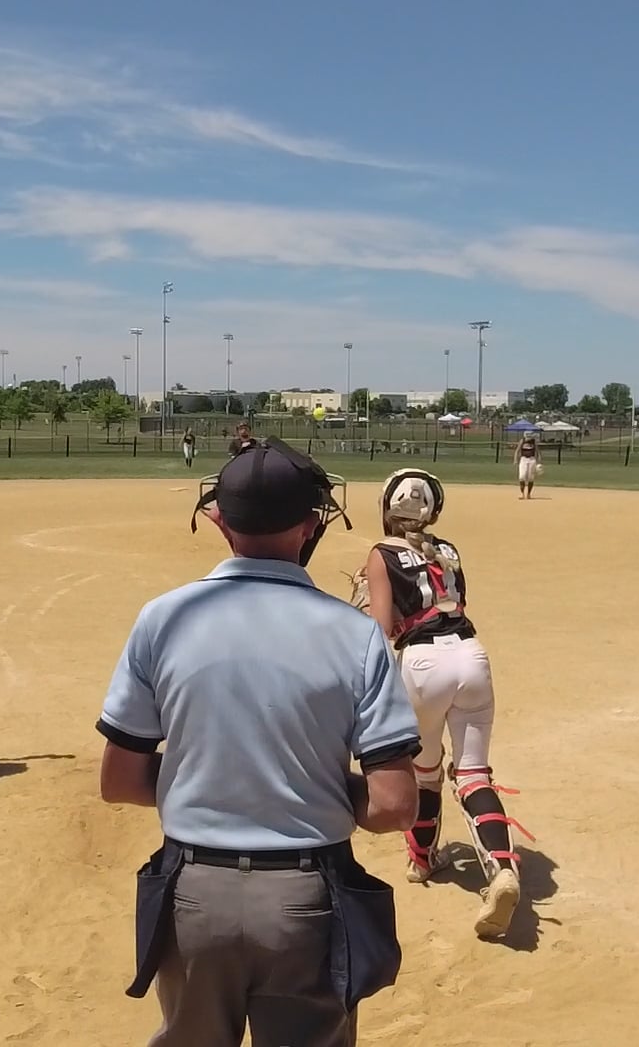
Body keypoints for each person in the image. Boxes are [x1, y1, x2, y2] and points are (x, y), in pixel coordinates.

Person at [99, 438, 421, 1047]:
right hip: (305, 899)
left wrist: (216, 774)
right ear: (311, 524)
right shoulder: (356, 635)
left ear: (219, 519)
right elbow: (393, 806)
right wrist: (307, 784)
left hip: (193, 896)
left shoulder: (162, 619)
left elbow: (119, 782)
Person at [355, 468, 529, 939]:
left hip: (423, 663)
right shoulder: (448, 549)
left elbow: (382, 629)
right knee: (473, 774)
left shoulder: (380, 553)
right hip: (471, 655)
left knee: (424, 771)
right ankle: (503, 869)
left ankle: (422, 858)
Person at [514, 431, 541, 499]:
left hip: (532, 459)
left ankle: (528, 494)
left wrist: (539, 461)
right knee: (522, 476)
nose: (528, 438)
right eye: (527, 436)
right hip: (523, 459)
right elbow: (517, 451)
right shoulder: (522, 441)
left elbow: (538, 452)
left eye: (529, 436)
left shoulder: (534, 442)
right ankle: (522, 494)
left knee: (530, 478)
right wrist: (515, 459)